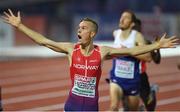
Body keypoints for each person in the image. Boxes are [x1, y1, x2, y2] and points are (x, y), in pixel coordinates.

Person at [2, 9, 178, 111]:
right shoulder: (71, 49)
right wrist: (20, 26)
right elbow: (43, 41)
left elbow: (133, 50)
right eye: (78, 28)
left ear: (92, 33)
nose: (79, 30)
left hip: (91, 108)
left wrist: (156, 46)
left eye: (83, 28)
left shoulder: (102, 52)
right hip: (71, 106)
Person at [108, 10, 162, 111]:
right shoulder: (116, 33)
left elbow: (152, 58)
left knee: (148, 104)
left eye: (126, 18)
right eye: (121, 17)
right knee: (114, 106)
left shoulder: (142, 40)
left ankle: (150, 94)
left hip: (138, 77)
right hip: (117, 78)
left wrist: (128, 51)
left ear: (133, 25)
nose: (122, 19)